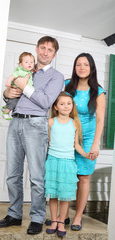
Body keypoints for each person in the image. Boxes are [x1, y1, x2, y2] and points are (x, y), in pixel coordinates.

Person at [0, 36, 64, 235]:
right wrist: (7, 92)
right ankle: (14, 214)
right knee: (12, 175)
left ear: (54, 54)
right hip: (15, 121)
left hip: (36, 125)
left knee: (36, 177)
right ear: (36, 49)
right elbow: (10, 93)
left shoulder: (56, 76)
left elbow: (45, 101)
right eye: (42, 48)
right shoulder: (25, 70)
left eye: (49, 50)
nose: (45, 52)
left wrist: (23, 86)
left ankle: (37, 218)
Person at [65, 52, 106, 231]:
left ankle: (78, 217)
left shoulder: (98, 90)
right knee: (66, 177)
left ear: (92, 68)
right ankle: (63, 215)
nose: (82, 68)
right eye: (78, 64)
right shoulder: (67, 85)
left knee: (83, 177)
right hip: (67, 136)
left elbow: (100, 120)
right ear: (75, 68)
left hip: (88, 139)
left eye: (86, 64)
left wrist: (95, 143)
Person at [44, 91, 90, 237]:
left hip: (68, 163)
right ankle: (53, 221)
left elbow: (76, 145)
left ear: (72, 106)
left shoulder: (75, 123)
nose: (66, 106)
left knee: (65, 195)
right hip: (53, 161)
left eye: (69, 103)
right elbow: (48, 142)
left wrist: (86, 155)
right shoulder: (51, 122)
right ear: (56, 107)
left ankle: (62, 222)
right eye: (62, 104)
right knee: (53, 194)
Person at [2, 52, 35, 120]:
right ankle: (6, 112)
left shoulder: (29, 72)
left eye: (32, 62)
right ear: (20, 64)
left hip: (22, 92)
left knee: (14, 101)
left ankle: (5, 107)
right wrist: (8, 82)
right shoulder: (20, 71)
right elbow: (12, 76)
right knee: (13, 102)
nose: (29, 64)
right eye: (26, 62)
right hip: (16, 90)